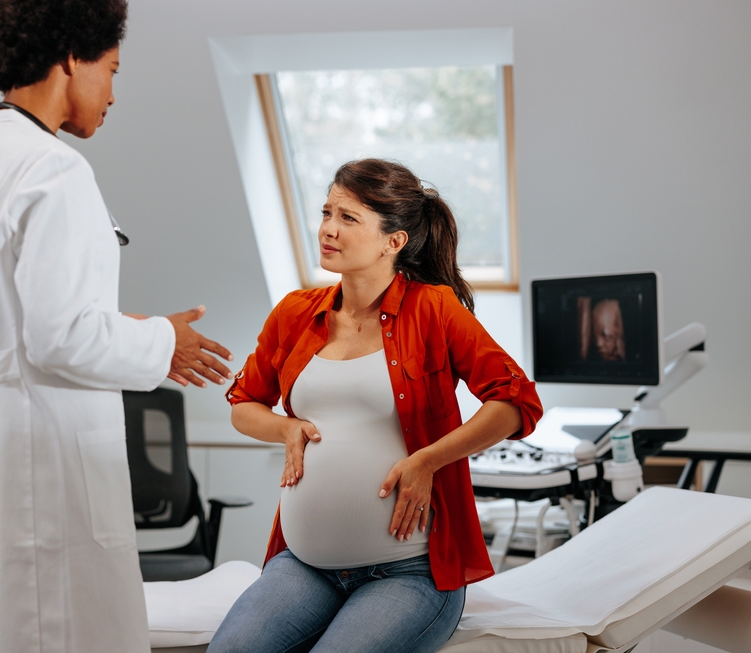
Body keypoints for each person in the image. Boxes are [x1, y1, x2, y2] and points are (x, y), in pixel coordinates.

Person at [0, 0, 232, 652]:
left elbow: (17, 320)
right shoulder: (54, 170)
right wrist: (163, 339)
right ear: (72, 57)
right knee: (48, 626)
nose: (112, 94)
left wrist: (128, 325)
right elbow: (60, 339)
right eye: (111, 70)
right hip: (36, 455)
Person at [210, 159, 544, 653]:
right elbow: (243, 404)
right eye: (327, 212)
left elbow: (516, 402)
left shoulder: (433, 309)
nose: (328, 229)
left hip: (409, 572)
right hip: (305, 564)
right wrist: (286, 429)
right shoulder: (295, 313)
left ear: (394, 241)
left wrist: (428, 459)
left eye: (349, 218)